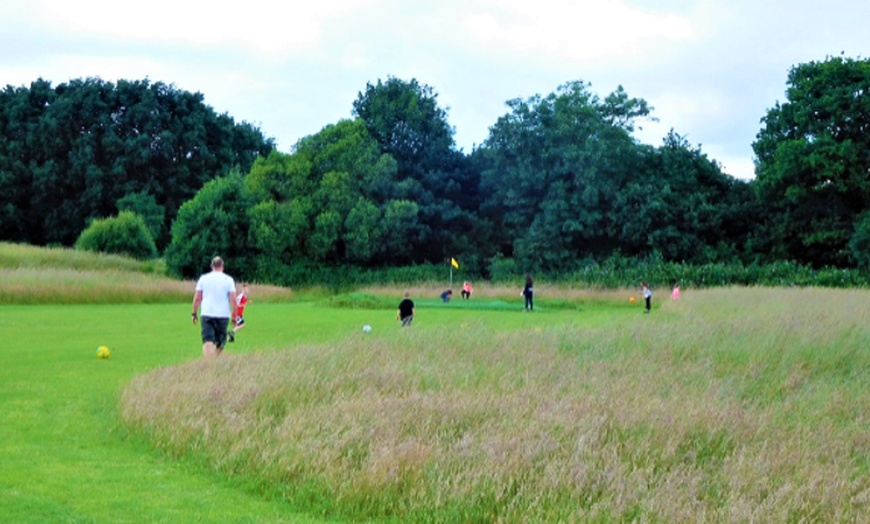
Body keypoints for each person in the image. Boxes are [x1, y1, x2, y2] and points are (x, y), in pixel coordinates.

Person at [191, 256, 236, 357]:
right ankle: (213, 363)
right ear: (222, 266)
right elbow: (233, 300)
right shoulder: (228, 280)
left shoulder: (203, 279)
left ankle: (209, 364)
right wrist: (234, 316)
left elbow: (197, 298)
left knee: (207, 340)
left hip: (207, 314)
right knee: (220, 343)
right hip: (223, 315)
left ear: (212, 266)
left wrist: (194, 313)